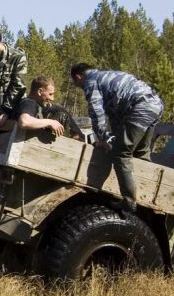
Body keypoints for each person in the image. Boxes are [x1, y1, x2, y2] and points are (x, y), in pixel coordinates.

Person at [70, 63, 164, 212]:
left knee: (120, 153)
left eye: (77, 84)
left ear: (78, 77)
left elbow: (96, 113)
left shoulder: (90, 81)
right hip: (155, 105)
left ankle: (129, 200)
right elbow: (116, 118)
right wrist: (111, 139)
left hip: (140, 108)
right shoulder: (109, 75)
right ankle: (145, 195)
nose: (80, 87)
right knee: (140, 153)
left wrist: (104, 138)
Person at [13, 75, 84, 140]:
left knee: (62, 114)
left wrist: (78, 134)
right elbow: (24, 122)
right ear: (40, 92)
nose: (52, 98)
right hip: (24, 144)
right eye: (50, 94)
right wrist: (50, 122)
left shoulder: (40, 105)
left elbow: (58, 109)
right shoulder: (29, 102)